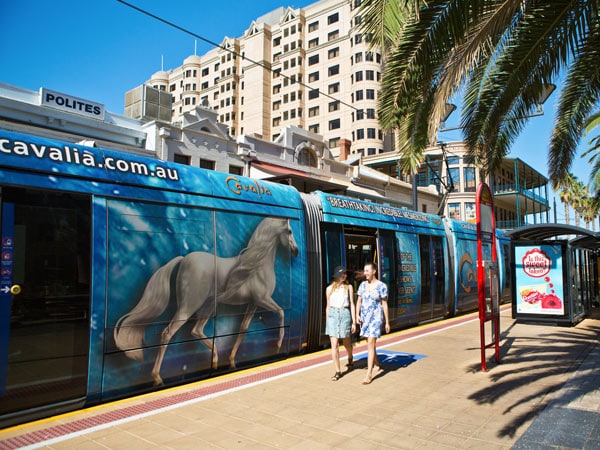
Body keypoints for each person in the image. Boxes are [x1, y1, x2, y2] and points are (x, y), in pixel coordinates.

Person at [356, 262, 390, 385]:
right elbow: (359, 301)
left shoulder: (382, 286)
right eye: (364, 271)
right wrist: (357, 315)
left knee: (370, 343)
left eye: (367, 271)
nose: (365, 273)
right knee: (368, 341)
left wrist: (387, 322)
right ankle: (376, 362)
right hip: (365, 318)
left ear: (374, 271)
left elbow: (384, 304)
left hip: (376, 318)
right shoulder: (362, 285)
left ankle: (369, 374)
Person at [325, 266, 356, 381]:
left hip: (344, 314)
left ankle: (350, 356)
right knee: (334, 345)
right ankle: (338, 371)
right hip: (333, 315)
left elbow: (352, 304)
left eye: (345, 274)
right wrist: (328, 321)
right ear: (336, 275)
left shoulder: (349, 287)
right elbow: (328, 306)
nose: (344, 276)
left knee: (346, 343)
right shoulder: (329, 289)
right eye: (342, 274)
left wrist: (353, 322)